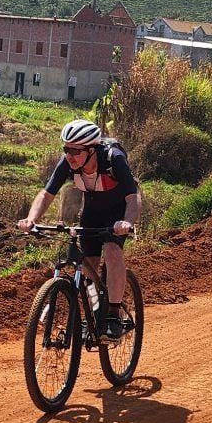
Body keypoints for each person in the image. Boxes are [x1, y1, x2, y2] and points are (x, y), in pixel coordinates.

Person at [17, 119, 142, 340]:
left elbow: (133, 197)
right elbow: (47, 194)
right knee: (87, 265)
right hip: (92, 212)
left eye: (75, 150)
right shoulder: (68, 163)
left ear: (92, 150)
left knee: (113, 252)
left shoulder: (114, 159)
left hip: (118, 213)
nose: (69, 155)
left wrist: (127, 222)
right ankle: (94, 312)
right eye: (66, 149)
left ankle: (113, 314)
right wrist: (31, 219)